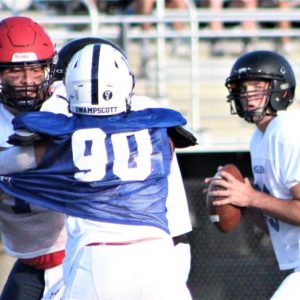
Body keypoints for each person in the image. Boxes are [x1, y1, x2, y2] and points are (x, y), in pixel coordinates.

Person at [0, 42, 193, 299]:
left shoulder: (61, 135)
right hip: (158, 255)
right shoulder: (159, 128)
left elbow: (10, 164)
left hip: (96, 257)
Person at [206, 50, 299, 299]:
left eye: (257, 86)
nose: (247, 95)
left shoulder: (287, 131)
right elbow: (276, 226)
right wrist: (237, 198)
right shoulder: (259, 139)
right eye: (243, 88)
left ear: (281, 89)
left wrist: (252, 198)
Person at [0, 16, 67, 300]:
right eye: (16, 71)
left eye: (36, 69)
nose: (28, 81)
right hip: (31, 261)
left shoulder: (69, 105)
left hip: (79, 254)